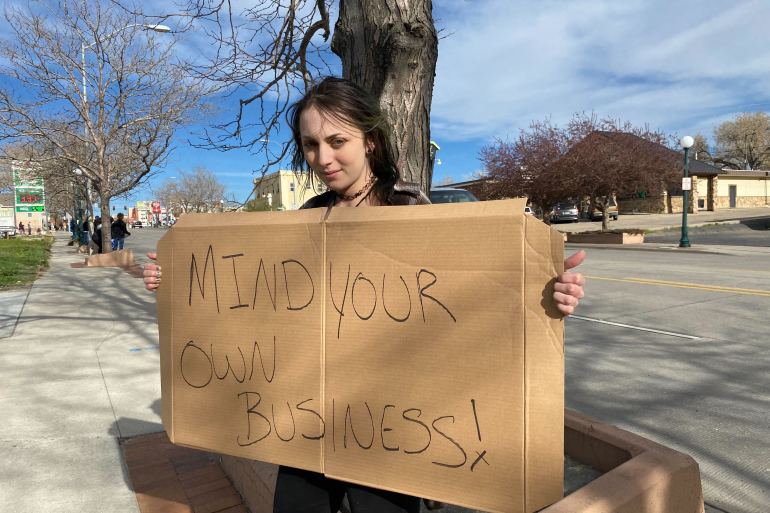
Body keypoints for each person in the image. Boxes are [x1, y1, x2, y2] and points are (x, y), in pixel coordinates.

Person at [144, 77, 586, 513]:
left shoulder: (411, 211)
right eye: (311, 145)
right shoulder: (306, 218)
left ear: (370, 140)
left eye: (338, 140)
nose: (323, 157)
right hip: (310, 422)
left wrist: (545, 290)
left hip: (396, 430)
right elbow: (250, 303)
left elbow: (475, 297)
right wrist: (175, 281)